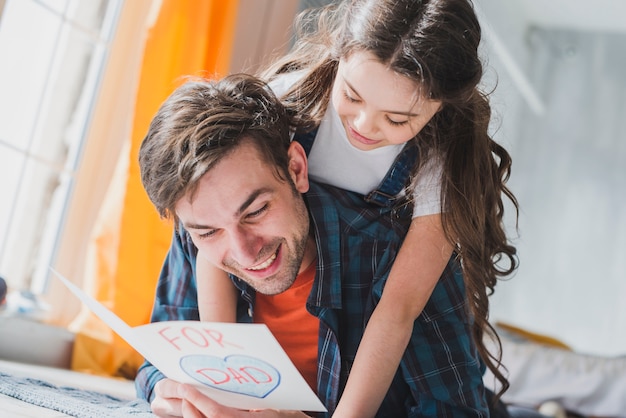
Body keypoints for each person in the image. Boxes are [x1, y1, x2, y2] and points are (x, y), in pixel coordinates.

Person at [195, 0, 519, 416]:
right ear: (340, 53)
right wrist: (226, 387)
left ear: (440, 106)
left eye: (398, 119)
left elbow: (397, 311)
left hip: (373, 345)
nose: (364, 126)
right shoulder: (278, 106)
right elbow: (217, 233)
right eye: (351, 95)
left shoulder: (439, 166)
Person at [135, 73, 499, 417]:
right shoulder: (197, 232)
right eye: (209, 232)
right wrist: (167, 393)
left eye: (257, 210)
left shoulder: (394, 256)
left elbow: (457, 411)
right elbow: (157, 365)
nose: (244, 253)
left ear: (296, 169)